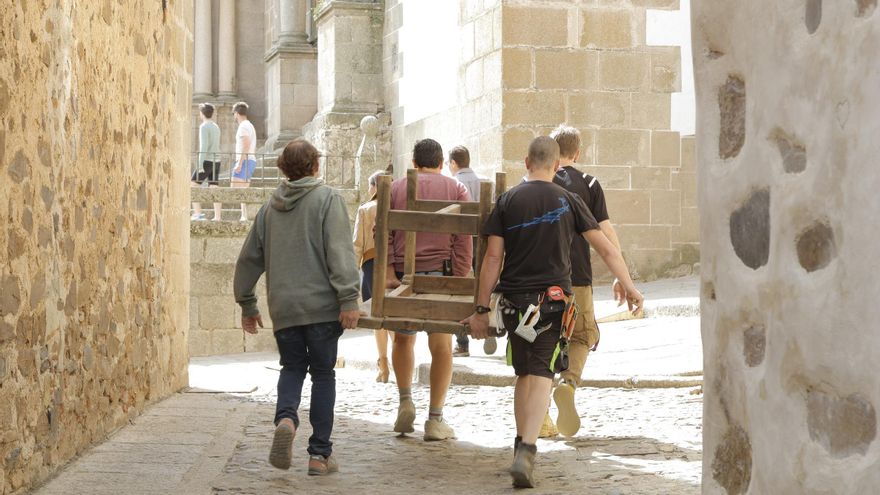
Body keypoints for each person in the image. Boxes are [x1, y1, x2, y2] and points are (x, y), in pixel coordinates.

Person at [461, 136, 643, 488]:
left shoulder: (507, 200)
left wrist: (482, 309)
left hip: (515, 304)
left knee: (524, 372)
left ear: (526, 161)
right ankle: (527, 450)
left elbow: (492, 259)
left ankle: (519, 443)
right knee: (543, 372)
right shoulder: (569, 199)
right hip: (553, 303)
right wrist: (630, 286)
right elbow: (605, 249)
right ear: (557, 165)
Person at [233, 138, 360, 476]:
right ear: (316, 165)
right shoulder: (328, 199)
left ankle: (286, 419)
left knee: (291, 368)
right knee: (322, 374)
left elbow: (248, 260)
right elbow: (340, 253)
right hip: (321, 308)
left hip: (284, 309)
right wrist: (349, 299)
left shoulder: (269, 209)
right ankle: (319, 455)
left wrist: (247, 303)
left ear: (283, 169)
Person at [386, 138, 472, 441]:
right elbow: (464, 238)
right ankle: (435, 419)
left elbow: (382, 231)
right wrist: (460, 277)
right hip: (442, 278)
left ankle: (405, 400)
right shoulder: (456, 189)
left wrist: (387, 270)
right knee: (442, 348)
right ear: (440, 163)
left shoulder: (396, 187)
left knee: (402, 341)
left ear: (414, 162)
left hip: (403, 278)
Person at [548, 125, 625, 438]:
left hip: (539, 277)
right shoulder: (590, 184)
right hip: (578, 276)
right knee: (583, 335)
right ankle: (568, 383)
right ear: (577, 153)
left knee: (541, 342)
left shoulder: (540, 181)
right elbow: (606, 232)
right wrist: (622, 275)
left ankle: (538, 417)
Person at [445, 145, 497, 358]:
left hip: (461, 243)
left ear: (454, 163)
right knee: (487, 283)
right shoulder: (488, 181)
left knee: (460, 289)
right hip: (486, 241)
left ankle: (462, 342)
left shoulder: (453, 184)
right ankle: (491, 322)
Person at [353, 170, 391, 383]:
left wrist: (353, 270)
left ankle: (383, 364)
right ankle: (399, 358)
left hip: (371, 265)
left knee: (377, 317)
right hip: (394, 264)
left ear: (375, 186)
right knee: (393, 315)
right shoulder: (398, 206)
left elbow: (357, 244)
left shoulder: (366, 209)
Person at [191, 103, 222, 221]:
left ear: (202, 113)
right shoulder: (216, 126)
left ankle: (198, 213)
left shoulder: (204, 126)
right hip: (216, 160)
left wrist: (199, 164)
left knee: (193, 185)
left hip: (206, 161)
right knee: (214, 186)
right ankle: (217, 216)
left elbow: (204, 146)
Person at [232, 101, 258, 222]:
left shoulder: (243, 126)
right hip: (250, 160)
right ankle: (244, 215)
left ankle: (244, 215)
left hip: (245, 161)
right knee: (243, 189)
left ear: (236, 113)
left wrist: (239, 162)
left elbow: (246, 143)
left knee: (235, 188)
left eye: (234, 114)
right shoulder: (250, 125)